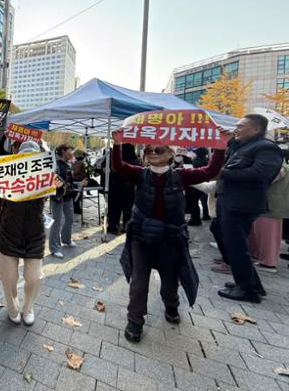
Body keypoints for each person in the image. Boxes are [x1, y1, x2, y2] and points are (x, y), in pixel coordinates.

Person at [113, 133, 225, 342]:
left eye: (159, 150)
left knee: (170, 278)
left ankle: (171, 306)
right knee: (139, 281)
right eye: (149, 150)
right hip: (141, 237)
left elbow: (212, 171)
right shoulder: (140, 173)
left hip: (170, 238)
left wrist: (219, 148)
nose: (153, 153)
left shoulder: (182, 175)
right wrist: (117, 144)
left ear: (171, 153)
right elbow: (119, 166)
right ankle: (135, 321)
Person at [216, 114, 283, 303]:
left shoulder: (266, 147)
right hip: (230, 200)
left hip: (242, 203)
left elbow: (260, 173)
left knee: (236, 246)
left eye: (240, 126)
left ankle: (247, 290)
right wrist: (227, 141)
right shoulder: (243, 146)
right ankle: (250, 284)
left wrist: (223, 174)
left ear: (256, 129)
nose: (235, 128)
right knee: (235, 245)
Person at [0, 140, 62, 326]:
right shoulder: (8, 174)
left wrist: (58, 183)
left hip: (35, 233)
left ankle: (28, 307)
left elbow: (64, 188)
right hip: (10, 232)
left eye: (34, 155)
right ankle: (13, 308)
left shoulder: (46, 175)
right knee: (9, 277)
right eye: (26, 155)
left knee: (34, 278)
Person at [49, 144, 77, 258]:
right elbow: (51, 178)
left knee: (70, 219)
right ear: (63, 151)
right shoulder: (54, 163)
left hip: (68, 196)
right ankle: (54, 247)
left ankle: (66, 239)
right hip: (57, 197)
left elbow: (70, 178)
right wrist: (61, 185)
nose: (71, 154)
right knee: (56, 222)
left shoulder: (68, 163)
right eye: (69, 151)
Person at [106, 144, 138, 235]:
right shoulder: (134, 161)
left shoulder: (117, 160)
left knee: (114, 208)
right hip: (129, 187)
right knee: (128, 208)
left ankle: (113, 227)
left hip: (115, 186)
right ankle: (126, 227)